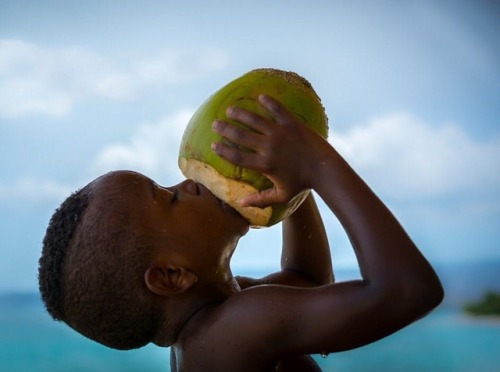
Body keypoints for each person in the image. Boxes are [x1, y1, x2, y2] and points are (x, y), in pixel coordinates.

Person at [38, 94, 443, 371]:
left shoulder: (217, 322)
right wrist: (316, 163)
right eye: (171, 199)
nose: (189, 184)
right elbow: (406, 290)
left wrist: (289, 184)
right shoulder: (235, 327)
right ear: (171, 276)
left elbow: (308, 280)